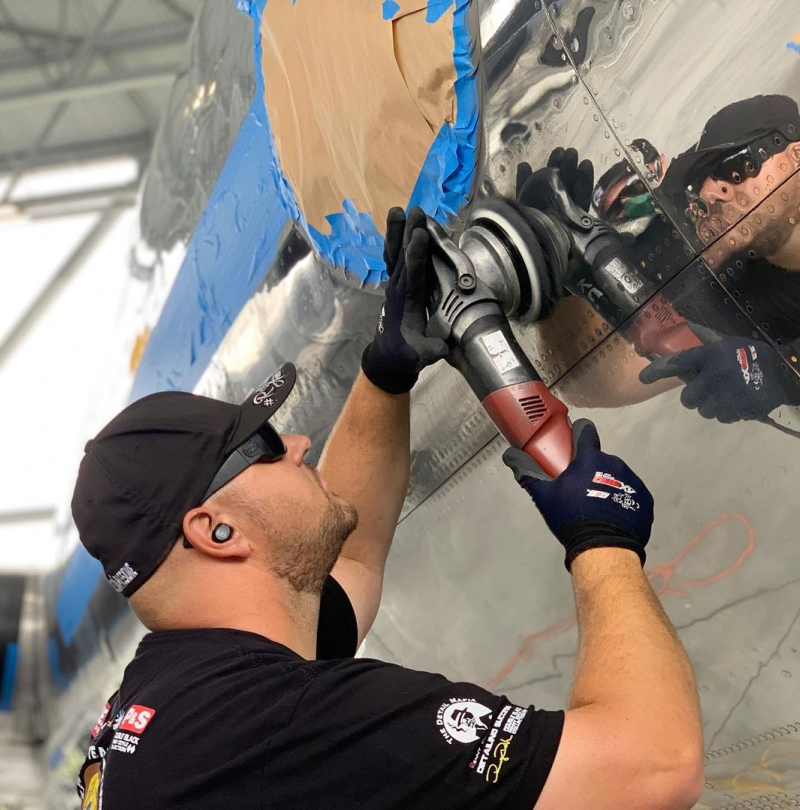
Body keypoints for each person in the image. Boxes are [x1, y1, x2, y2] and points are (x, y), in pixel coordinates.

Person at [72, 208, 704, 809]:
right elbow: (651, 768)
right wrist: (602, 540)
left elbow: (353, 551)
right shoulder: (273, 731)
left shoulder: (191, 697)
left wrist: (386, 369)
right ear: (216, 530)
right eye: (261, 446)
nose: (296, 444)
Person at [640, 94, 800, 421]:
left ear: (795, 154)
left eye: (734, 165)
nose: (713, 192)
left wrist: (786, 370)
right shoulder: (745, 295)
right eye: (702, 182)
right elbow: (621, 379)